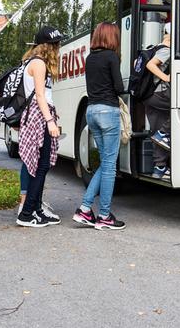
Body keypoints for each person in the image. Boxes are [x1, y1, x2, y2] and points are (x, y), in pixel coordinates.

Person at [74, 22, 127, 231]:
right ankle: (104, 215)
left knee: (105, 163)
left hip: (92, 111)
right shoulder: (111, 57)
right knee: (110, 166)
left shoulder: (90, 58)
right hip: (108, 112)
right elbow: (118, 87)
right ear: (111, 38)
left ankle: (85, 209)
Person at [17, 25, 64, 228]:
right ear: (48, 46)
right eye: (56, 44)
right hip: (38, 117)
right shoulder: (39, 64)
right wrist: (50, 121)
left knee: (40, 166)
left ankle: (35, 210)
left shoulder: (33, 61)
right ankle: (26, 214)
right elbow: (39, 95)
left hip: (38, 115)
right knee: (40, 166)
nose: (58, 48)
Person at [143, 23, 172, 180]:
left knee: (156, 131)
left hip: (148, 96)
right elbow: (150, 65)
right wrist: (166, 77)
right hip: (159, 94)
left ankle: (159, 168)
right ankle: (164, 132)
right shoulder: (166, 50)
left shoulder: (153, 48)